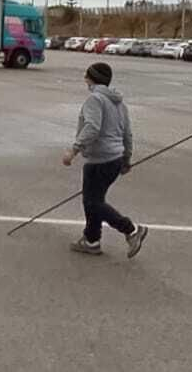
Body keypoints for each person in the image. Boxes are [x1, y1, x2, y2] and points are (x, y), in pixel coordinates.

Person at [62, 62, 149, 257]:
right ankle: (92, 239)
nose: (84, 78)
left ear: (91, 78)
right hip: (115, 159)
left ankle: (131, 230)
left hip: (100, 160)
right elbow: (127, 134)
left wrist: (73, 150)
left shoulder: (95, 99)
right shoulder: (119, 102)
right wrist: (126, 158)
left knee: (93, 203)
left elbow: (92, 128)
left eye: (86, 75)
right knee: (93, 201)